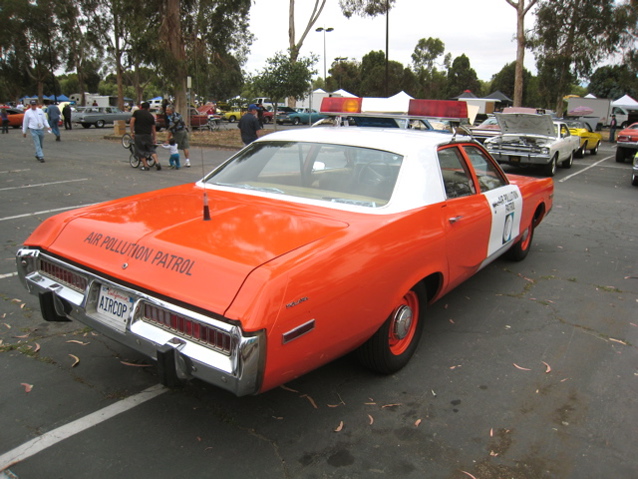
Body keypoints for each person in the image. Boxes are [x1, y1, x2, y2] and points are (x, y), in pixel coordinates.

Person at [129, 101, 161, 171]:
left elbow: (132, 122)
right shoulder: (151, 116)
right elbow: (153, 128)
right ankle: (157, 162)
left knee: (140, 150)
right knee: (151, 149)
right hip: (148, 135)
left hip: (139, 134)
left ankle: (145, 165)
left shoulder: (137, 113)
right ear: (148, 108)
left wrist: (132, 132)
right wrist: (154, 138)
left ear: (141, 107)